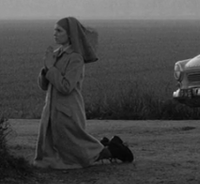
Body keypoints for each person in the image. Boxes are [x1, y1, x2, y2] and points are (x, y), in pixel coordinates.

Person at [35, 17, 133, 168]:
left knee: (77, 149)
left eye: (59, 30)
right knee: (58, 146)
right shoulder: (55, 55)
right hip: (51, 110)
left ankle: (113, 150)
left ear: (70, 35)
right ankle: (105, 145)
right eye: (54, 30)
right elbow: (43, 86)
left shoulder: (76, 59)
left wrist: (51, 68)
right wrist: (45, 69)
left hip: (67, 110)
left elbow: (66, 87)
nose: (55, 33)